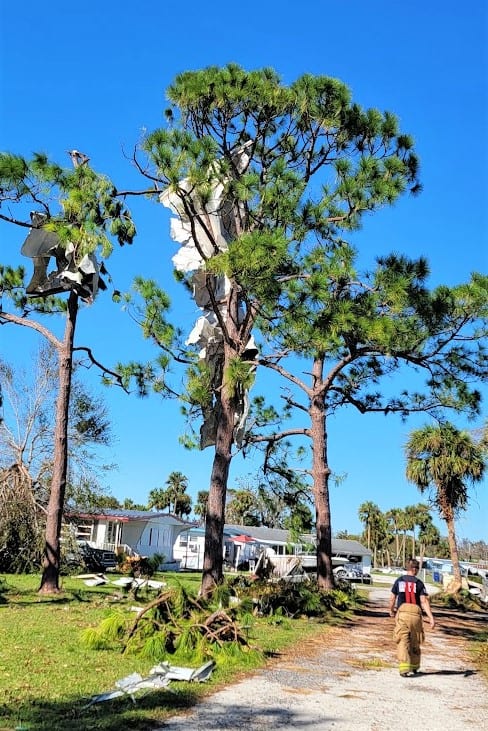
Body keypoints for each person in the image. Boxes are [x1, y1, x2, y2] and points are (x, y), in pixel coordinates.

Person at [389, 558, 435, 677]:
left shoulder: (399, 581)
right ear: (415, 570)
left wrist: (391, 610)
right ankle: (415, 666)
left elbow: (392, 598)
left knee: (403, 639)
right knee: (415, 640)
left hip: (402, 613)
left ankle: (404, 668)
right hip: (416, 614)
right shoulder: (419, 583)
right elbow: (424, 601)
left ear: (408, 569)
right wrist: (431, 617)